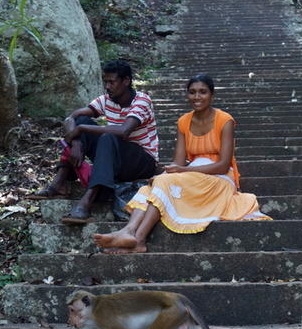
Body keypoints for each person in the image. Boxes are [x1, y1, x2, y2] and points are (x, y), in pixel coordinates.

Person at [92, 74, 270, 253]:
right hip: (192, 174)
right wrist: (164, 174)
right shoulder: (184, 121)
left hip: (219, 177)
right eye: (192, 92)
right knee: (150, 187)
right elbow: (178, 161)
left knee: (163, 184)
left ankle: (139, 239)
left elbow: (223, 165)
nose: (197, 97)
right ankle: (129, 231)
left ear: (212, 95)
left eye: (202, 92)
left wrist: (182, 170)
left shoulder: (225, 121)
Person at [29, 59, 159, 224]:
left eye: (112, 82)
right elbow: (72, 117)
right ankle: (59, 184)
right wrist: (76, 142)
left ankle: (87, 202)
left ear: (126, 81)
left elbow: (123, 131)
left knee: (106, 135)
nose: (107, 86)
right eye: (106, 82)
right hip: (116, 159)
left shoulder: (142, 100)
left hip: (143, 162)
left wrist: (81, 129)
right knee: (83, 119)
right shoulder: (106, 100)